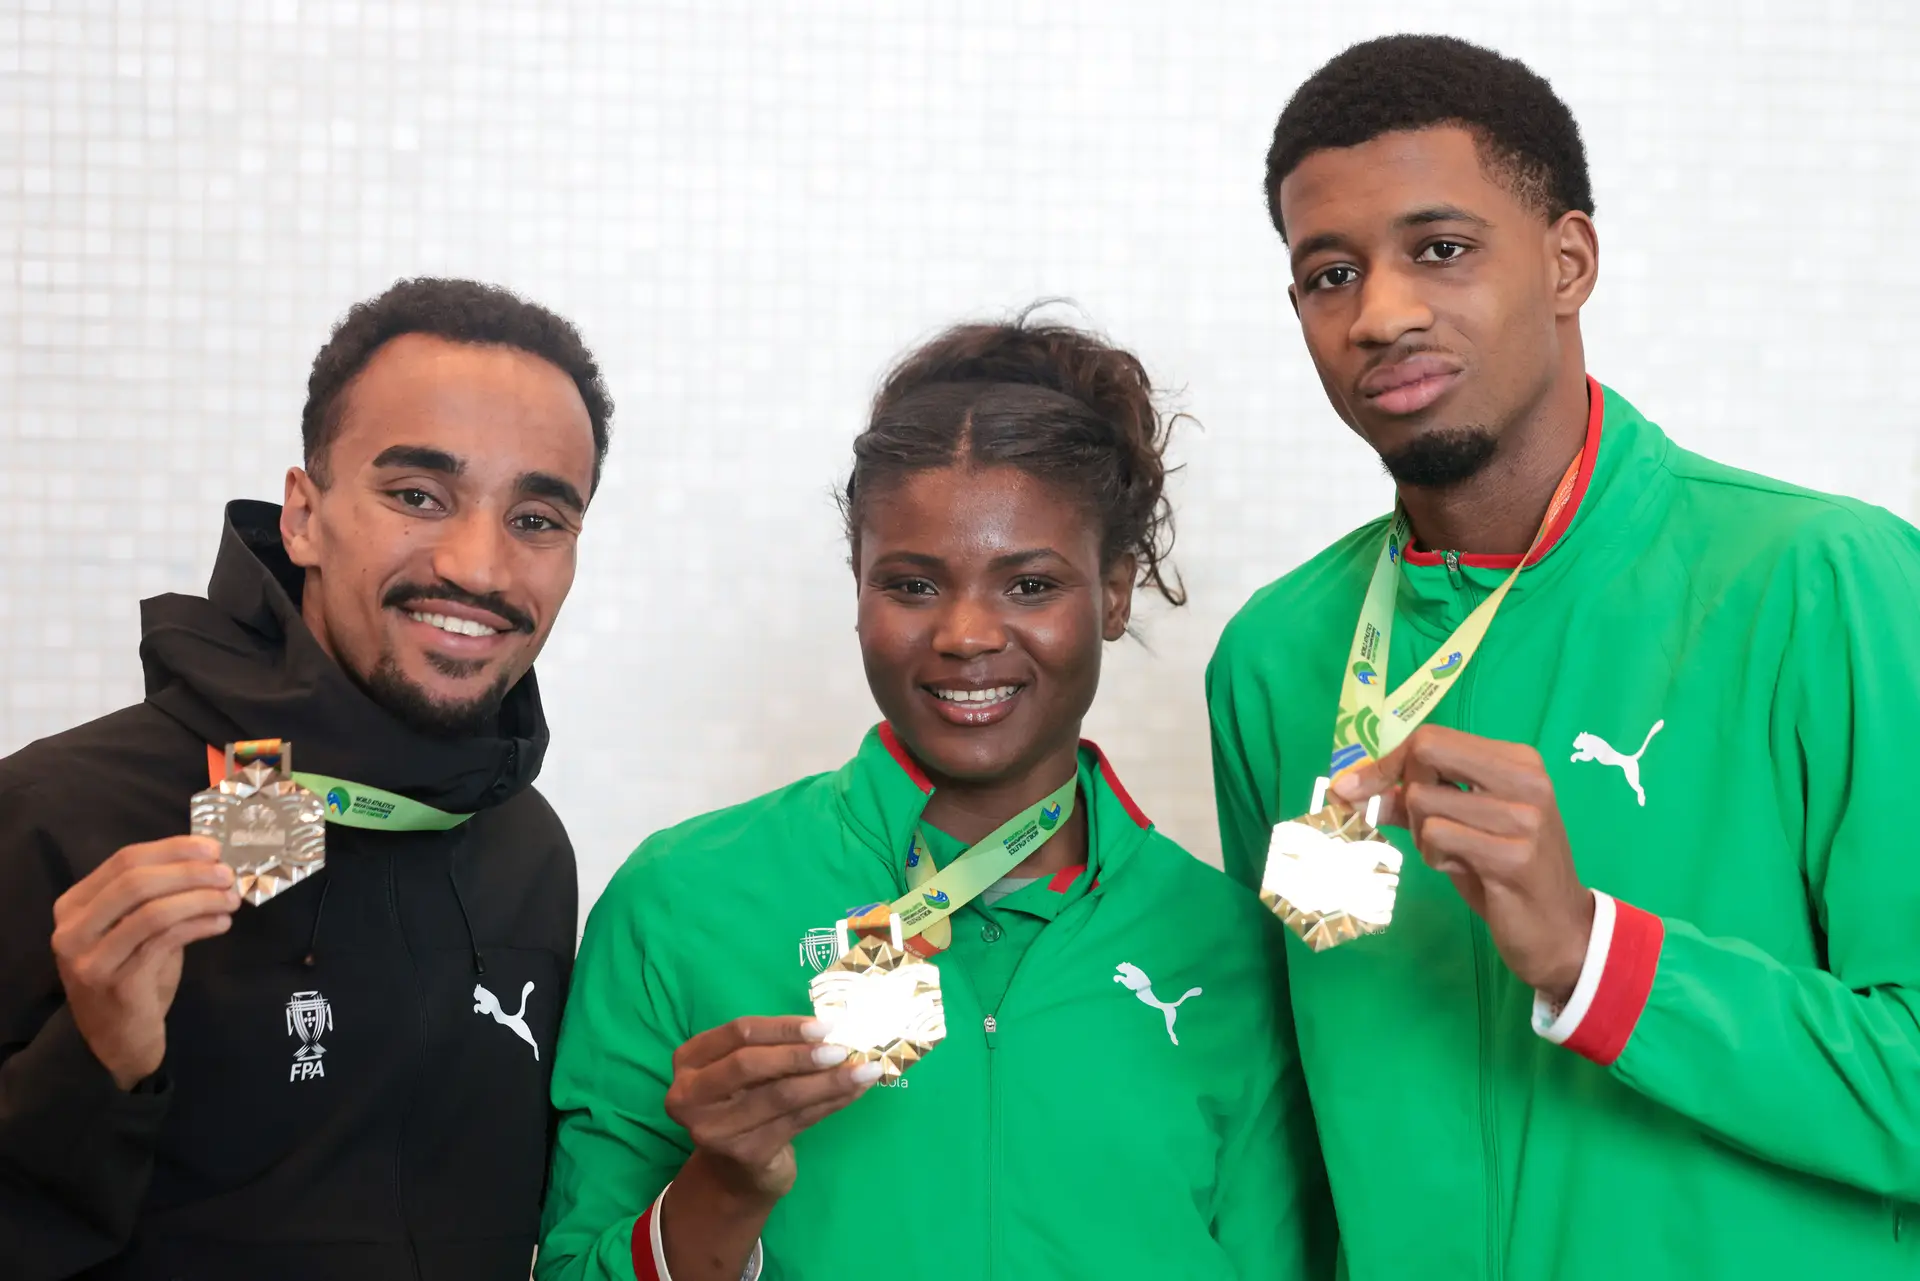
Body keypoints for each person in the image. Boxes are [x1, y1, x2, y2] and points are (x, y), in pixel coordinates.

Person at [1207, 32, 1920, 1279]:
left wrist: (1594, 955)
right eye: (1330, 274)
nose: (1382, 313)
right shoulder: (1273, 660)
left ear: (1567, 262)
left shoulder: (1824, 582)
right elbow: (1292, 1123)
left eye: (1440, 249)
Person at [538, 315, 1328, 1281]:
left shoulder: (1230, 945)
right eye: (912, 585)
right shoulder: (680, 902)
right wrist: (725, 1186)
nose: (964, 634)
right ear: (858, 589)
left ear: (1114, 592)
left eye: (1030, 584)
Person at [0, 278, 610, 1280]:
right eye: (418, 495)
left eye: (538, 518)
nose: (481, 567)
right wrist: (94, 1068)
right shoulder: (61, 818)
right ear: (303, 517)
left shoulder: (525, 845)